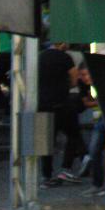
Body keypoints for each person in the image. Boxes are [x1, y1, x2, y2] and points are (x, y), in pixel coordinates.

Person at [38, 42, 80, 187]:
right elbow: (74, 79)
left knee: (47, 142)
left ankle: (46, 176)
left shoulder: (39, 56)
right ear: (62, 43)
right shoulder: (65, 57)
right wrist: (66, 86)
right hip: (62, 103)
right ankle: (66, 168)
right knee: (74, 135)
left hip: (43, 104)